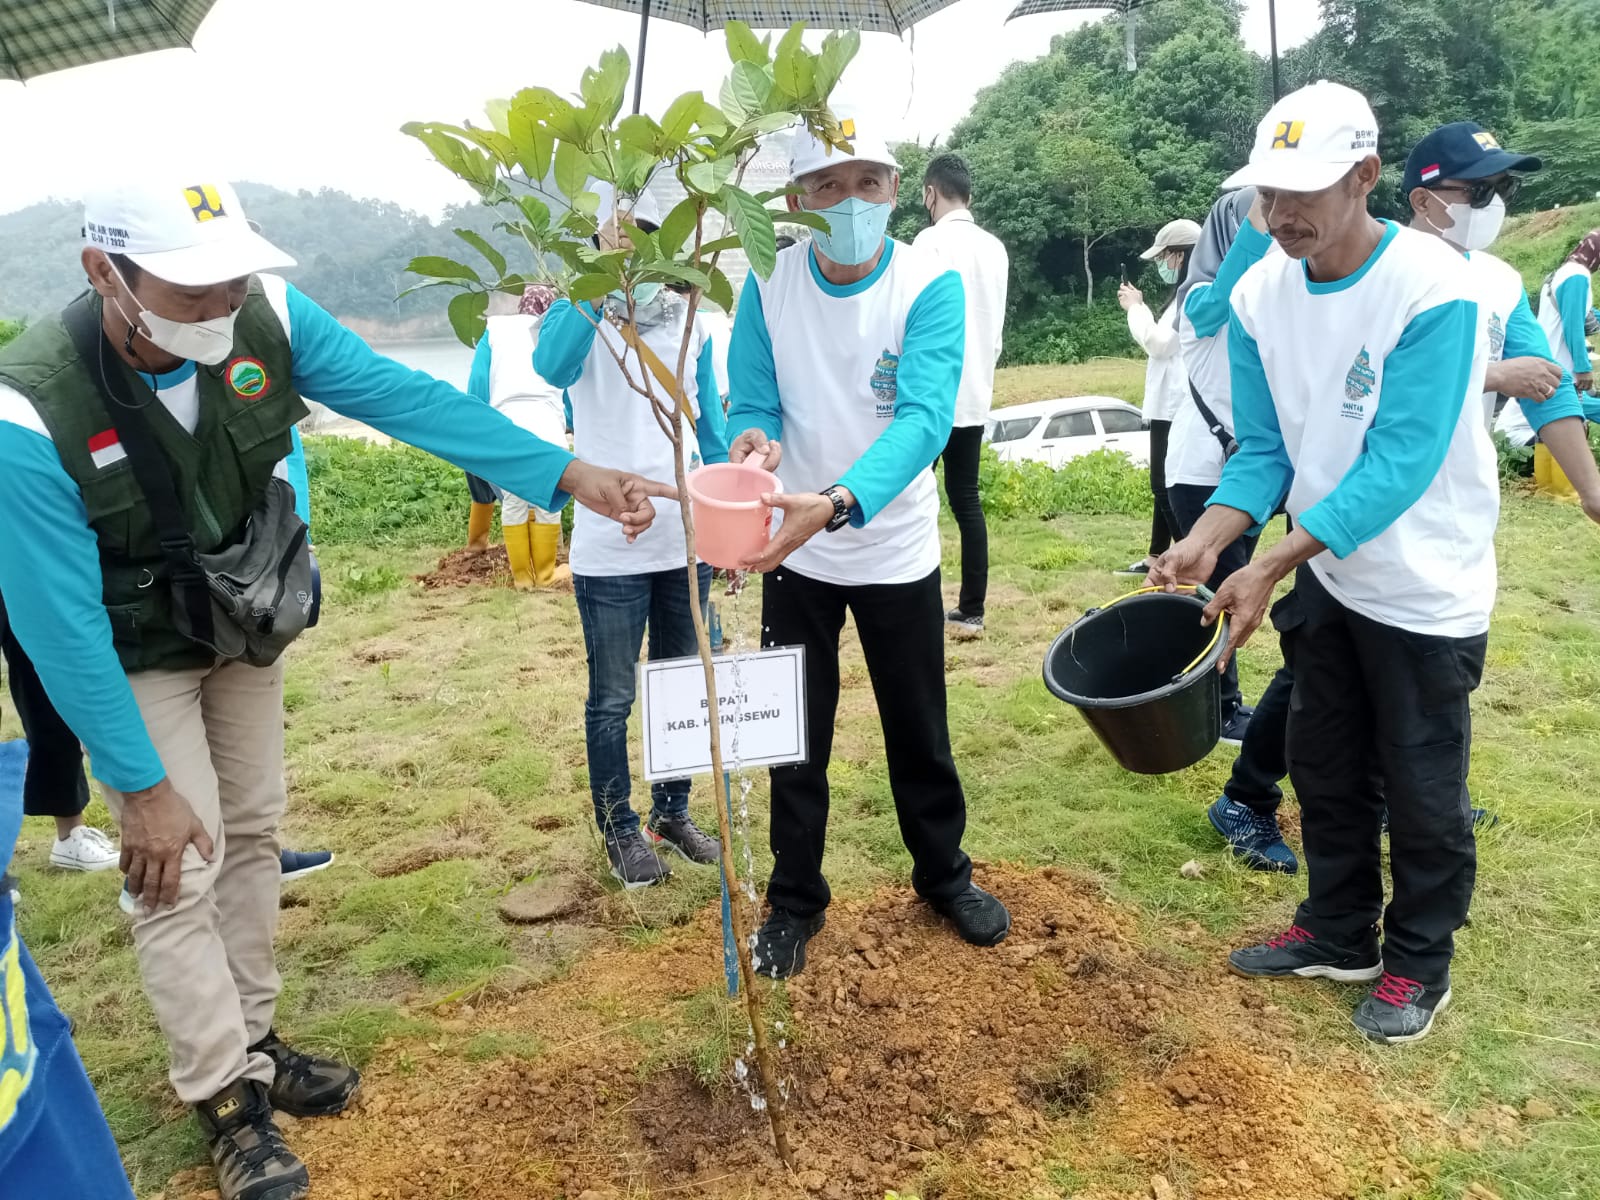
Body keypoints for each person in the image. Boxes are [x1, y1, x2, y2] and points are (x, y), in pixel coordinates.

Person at [0, 178, 671, 1200]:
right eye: (190, 290)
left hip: (239, 624)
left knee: (256, 830)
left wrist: (567, 476)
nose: (221, 306)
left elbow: (405, 398)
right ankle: (224, 1097)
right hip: (129, 653)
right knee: (175, 861)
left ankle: (256, 1040)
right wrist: (135, 784)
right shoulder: (26, 407)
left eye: (232, 279)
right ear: (105, 274)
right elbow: (58, 621)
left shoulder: (264, 319)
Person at [1152, 82, 1492, 1045]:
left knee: (1422, 785)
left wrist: (1271, 566)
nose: (1281, 213)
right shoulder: (1260, 291)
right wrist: (1209, 541)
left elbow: (1401, 462)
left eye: (1305, 191)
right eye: (1268, 192)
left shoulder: (1433, 286)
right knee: (1325, 764)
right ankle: (1340, 931)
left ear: (1366, 177)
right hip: (1332, 577)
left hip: (1425, 582)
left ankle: (1420, 961)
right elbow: (1263, 451)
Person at [726, 118, 1010, 980]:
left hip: (891, 547)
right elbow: (753, 398)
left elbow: (926, 418)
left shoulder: (928, 281)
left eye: (870, 185)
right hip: (796, 552)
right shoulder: (767, 281)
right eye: (829, 187)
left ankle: (942, 875)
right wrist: (752, 445)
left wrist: (842, 500)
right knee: (793, 736)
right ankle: (795, 897)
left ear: (896, 191)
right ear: (796, 201)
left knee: (918, 726)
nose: (851, 204)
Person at [536, 183, 729, 888]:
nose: (635, 243)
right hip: (608, 539)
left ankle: (671, 813)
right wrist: (596, 290)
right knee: (613, 697)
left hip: (684, 538)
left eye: (648, 232)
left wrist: (724, 518)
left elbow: (705, 423)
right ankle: (619, 827)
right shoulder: (578, 317)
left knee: (680, 684)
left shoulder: (689, 320)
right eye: (623, 232)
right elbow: (547, 369)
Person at [1404, 124, 1600, 517]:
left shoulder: (1500, 280)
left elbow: (1546, 383)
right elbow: (1359, 376)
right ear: (1423, 201)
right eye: (1479, 191)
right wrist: (1490, 376)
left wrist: (1592, 492)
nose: (1495, 203)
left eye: (1503, 188)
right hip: (1359, 517)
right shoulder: (1374, 270)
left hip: (1462, 507)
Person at [914, 153, 1008, 637]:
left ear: (931, 193)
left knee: (915, 496)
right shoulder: (995, 248)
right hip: (973, 393)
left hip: (929, 395)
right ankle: (972, 609)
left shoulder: (926, 243)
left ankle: (920, 602)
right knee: (966, 501)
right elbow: (996, 331)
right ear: (968, 193)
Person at [468, 283, 573, 589]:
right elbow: (569, 380)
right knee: (546, 499)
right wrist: (570, 420)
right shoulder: (554, 332)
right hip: (546, 420)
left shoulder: (495, 330)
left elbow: (478, 381)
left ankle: (522, 579)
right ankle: (545, 573)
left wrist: (478, 423)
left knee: (513, 498)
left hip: (506, 423)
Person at [1117, 218, 1200, 578]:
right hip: (1171, 401)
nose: (1162, 265)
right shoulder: (1183, 295)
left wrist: (1135, 308)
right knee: (1162, 484)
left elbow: (1160, 343)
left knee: (1163, 485)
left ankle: (1185, 559)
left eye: (1165, 257)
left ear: (1180, 256)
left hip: (1176, 403)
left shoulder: (1192, 293)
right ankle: (1156, 555)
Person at [1497, 227, 1600, 445]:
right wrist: (1583, 367)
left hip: (1547, 357)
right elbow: (1573, 325)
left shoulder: (1562, 273)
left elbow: (1576, 316)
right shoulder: (1577, 277)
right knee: (1573, 415)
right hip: (1558, 366)